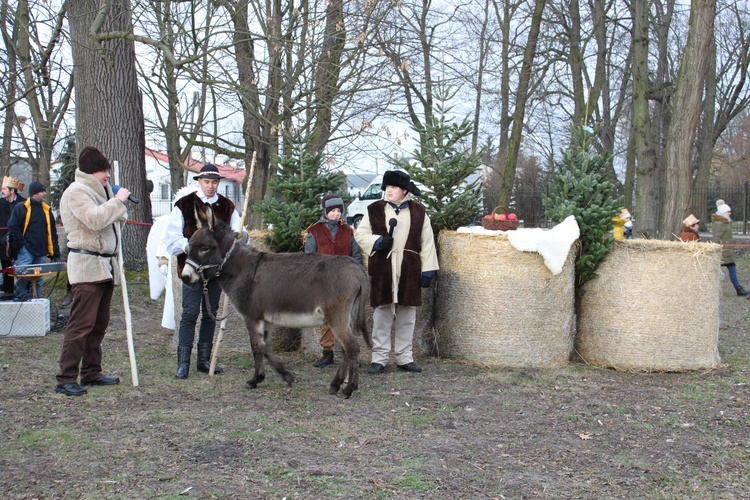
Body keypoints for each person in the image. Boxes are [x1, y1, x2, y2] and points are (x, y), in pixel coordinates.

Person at [54, 146, 131, 396]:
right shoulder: (77, 192)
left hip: (105, 267)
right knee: (81, 325)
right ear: (91, 172)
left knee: (99, 324)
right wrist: (116, 202)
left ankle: (91, 371)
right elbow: (95, 219)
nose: (107, 175)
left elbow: (114, 219)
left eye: (107, 170)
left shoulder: (99, 191)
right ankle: (66, 378)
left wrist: (115, 202)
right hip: (87, 267)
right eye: (103, 171)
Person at [354, 170, 439, 374]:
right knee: (382, 313)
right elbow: (360, 234)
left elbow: (427, 243)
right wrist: (378, 241)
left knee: (407, 314)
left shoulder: (419, 212)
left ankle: (404, 357)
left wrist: (428, 270)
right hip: (382, 266)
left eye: (393, 187)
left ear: (404, 190)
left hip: (409, 267)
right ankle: (379, 358)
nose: (388, 191)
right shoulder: (374, 209)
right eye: (387, 187)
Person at [165, 164, 241, 379]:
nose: (211, 185)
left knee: (210, 314)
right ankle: (183, 363)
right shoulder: (184, 205)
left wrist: (240, 238)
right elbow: (172, 238)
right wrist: (190, 247)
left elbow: (237, 233)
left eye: (214, 182)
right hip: (191, 269)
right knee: (189, 314)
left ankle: (204, 360)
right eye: (207, 181)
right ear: (199, 181)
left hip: (215, 272)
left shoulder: (227, 207)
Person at [304, 194, 363, 367]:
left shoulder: (348, 231)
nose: (336, 214)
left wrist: (358, 276)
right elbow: (309, 258)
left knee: (346, 318)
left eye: (339, 211)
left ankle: (349, 353)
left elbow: (356, 255)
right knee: (326, 319)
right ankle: (327, 353)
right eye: (333, 211)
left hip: (345, 282)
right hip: (323, 283)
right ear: (325, 211)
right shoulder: (314, 231)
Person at [7, 181, 60, 300]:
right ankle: (21, 299)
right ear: (35, 193)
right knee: (22, 277)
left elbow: (52, 233)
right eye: (42, 191)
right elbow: (12, 227)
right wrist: (23, 244)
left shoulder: (46, 210)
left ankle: (37, 301)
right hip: (26, 251)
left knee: (39, 279)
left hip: (41, 251)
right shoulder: (21, 208)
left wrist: (55, 252)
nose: (45, 194)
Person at [711, 200, 748, 297]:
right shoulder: (719, 224)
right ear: (723, 213)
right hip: (723, 251)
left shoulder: (724, 222)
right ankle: (738, 289)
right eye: (728, 212)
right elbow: (716, 238)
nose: (730, 213)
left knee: (731, 268)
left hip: (726, 251)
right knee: (729, 269)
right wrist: (716, 249)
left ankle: (738, 288)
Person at [0, 176, 26, 298]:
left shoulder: (24, 203)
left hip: (19, 242)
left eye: (4, 189)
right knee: (6, 269)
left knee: (22, 269)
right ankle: (8, 293)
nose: (2, 191)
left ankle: (23, 294)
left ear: (12, 191)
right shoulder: (0, 203)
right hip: (3, 243)